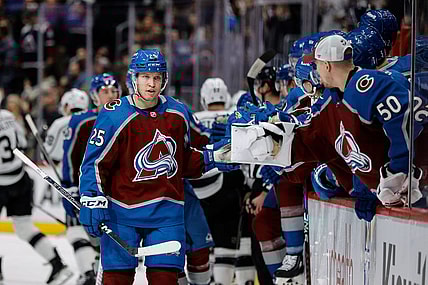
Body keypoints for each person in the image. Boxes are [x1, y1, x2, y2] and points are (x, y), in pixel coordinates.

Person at [78, 49, 236, 285]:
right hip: (121, 213)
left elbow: (181, 161)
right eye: (145, 77)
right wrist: (91, 196)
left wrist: (212, 157)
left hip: (166, 215)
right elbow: (95, 163)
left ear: (164, 79)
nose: (151, 84)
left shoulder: (178, 112)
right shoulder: (114, 115)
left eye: (157, 77)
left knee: (165, 279)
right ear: (134, 78)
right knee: (116, 280)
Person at [190, 78, 255, 285]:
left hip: (196, 190)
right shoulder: (232, 116)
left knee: (200, 248)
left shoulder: (192, 117)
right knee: (228, 246)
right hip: (228, 187)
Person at [0, 106, 73, 284]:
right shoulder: (8, 115)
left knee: (24, 227)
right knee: (24, 227)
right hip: (19, 179)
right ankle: (57, 264)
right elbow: (23, 144)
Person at [62, 74, 121, 285]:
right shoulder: (80, 120)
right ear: (95, 96)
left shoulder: (128, 117)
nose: (111, 95)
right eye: (105, 91)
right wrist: (69, 186)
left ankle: (97, 270)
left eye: (115, 90)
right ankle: (89, 272)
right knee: (80, 231)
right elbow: (69, 157)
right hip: (88, 190)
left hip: (117, 193)